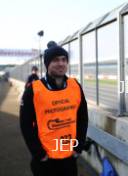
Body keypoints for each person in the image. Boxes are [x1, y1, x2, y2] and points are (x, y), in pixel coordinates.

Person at [20, 41, 88, 176]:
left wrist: (78, 147)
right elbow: (25, 124)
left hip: (69, 158)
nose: (61, 63)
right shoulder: (34, 90)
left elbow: (83, 118)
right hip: (45, 160)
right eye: (56, 60)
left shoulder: (75, 86)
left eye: (64, 60)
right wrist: (39, 154)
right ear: (47, 64)